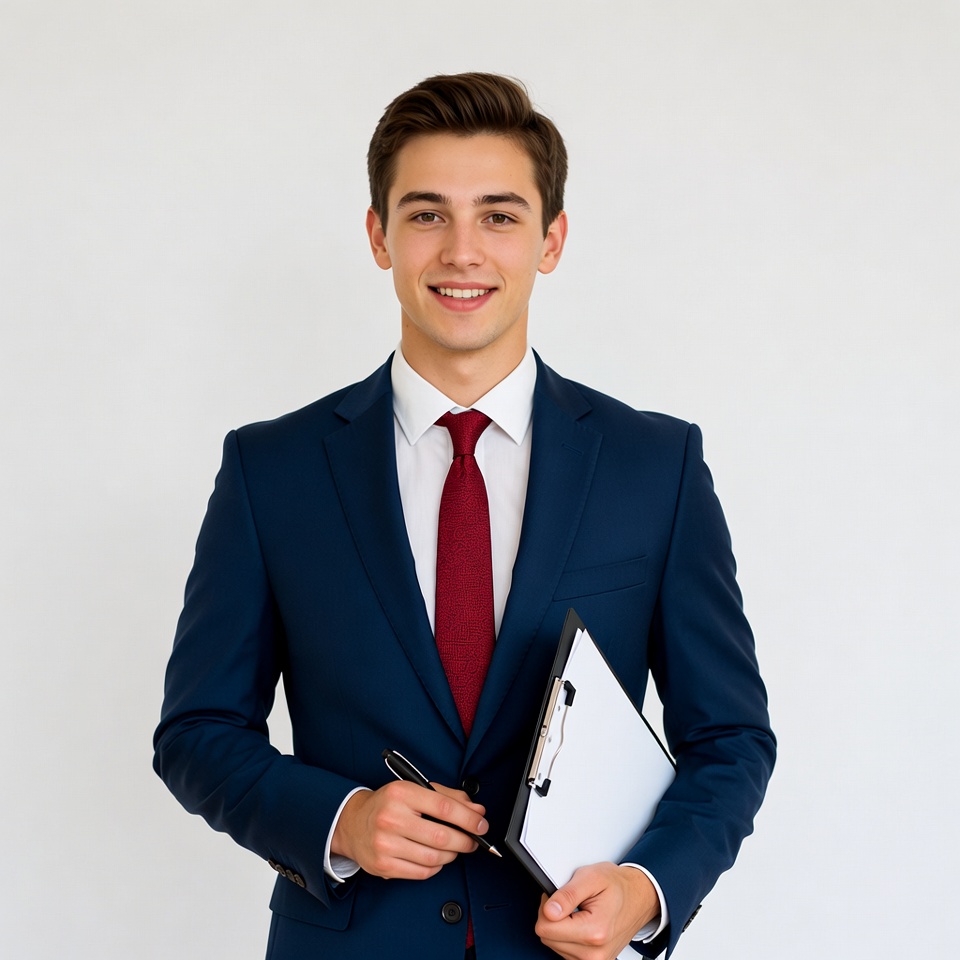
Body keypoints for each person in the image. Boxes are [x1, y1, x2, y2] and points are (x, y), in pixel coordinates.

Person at [153, 72, 775, 960]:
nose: (462, 251)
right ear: (379, 236)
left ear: (551, 240)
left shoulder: (654, 466)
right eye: (426, 214)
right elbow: (197, 731)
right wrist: (341, 819)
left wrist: (647, 888)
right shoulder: (272, 469)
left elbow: (730, 738)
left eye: (499, 215)